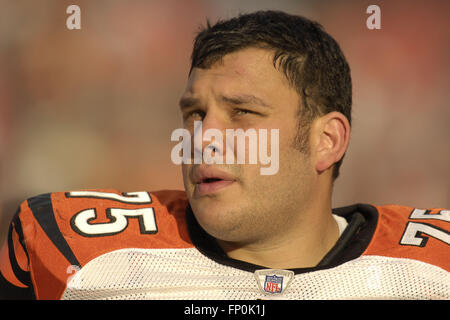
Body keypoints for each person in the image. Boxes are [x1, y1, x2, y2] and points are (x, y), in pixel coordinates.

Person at [0, 10, 448, 300]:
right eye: (195, 113)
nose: (204, 137)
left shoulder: (431, 271)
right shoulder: (70, 253)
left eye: (243, 112)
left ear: (326, 140)